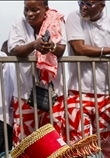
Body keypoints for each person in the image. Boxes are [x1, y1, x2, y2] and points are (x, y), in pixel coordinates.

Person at [62, 0, 110, 158]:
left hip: (104, 93)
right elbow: (78, 48)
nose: (83, 7)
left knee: (106, 148)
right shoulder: (74, 16)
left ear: (102, 5)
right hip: (78, 92)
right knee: (80, 146)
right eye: (81, 2)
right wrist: (109, 50)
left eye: (89, 4)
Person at [8, 0, 66, 144]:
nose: (29, 14)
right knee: (24, 144)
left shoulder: (57, 20)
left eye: (35, 10)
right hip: (24, 93)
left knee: (54, 143)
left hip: (54, 92)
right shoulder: (18, 23)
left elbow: (62, 48)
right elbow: (13, 50)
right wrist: (34, 45)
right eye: (26, 9)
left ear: (45, 9)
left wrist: (51, 46)